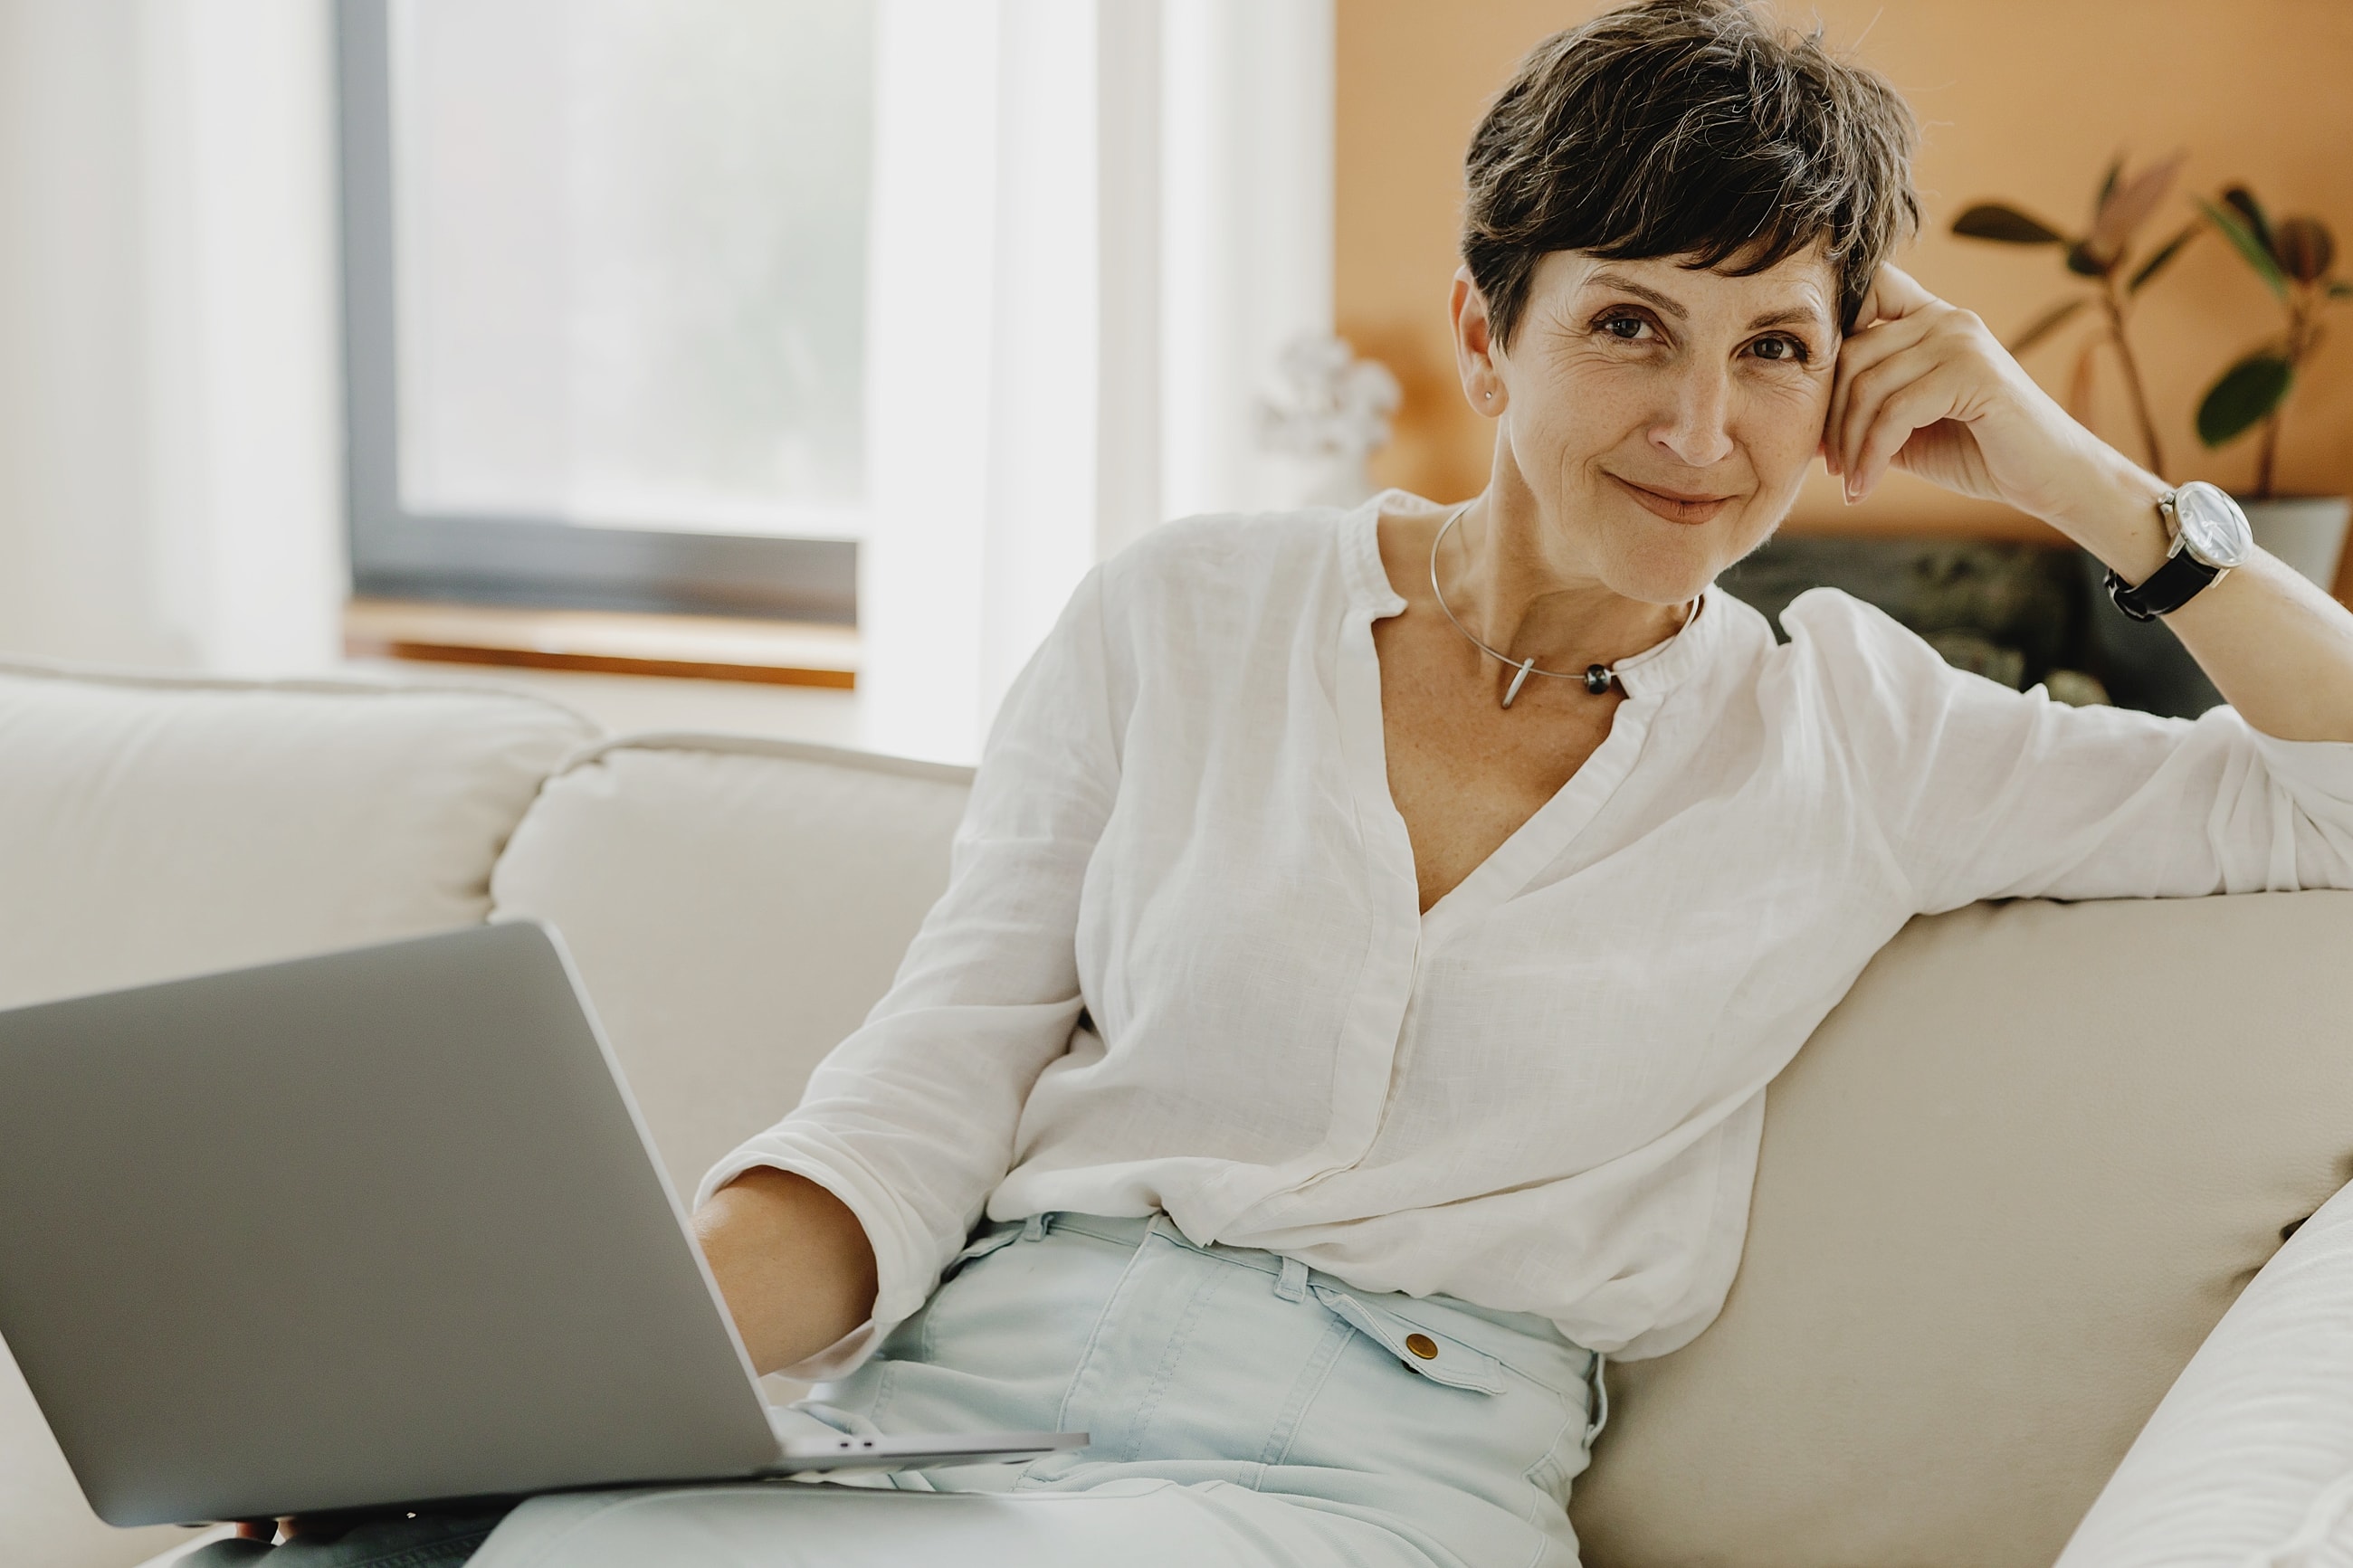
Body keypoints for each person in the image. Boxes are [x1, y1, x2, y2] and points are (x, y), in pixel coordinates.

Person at [197, 1, 2353, 1563]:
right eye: (1631, 327)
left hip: (1357, 1487)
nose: (1706, 426)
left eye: (1774, 346)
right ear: (1487, 331)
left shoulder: (1862, 735)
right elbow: (916, 1098)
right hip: (941, 1420)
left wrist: (2089, 486)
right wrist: (550, 1384)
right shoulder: (1182, 612)